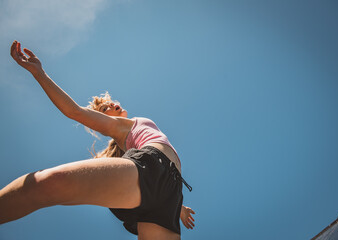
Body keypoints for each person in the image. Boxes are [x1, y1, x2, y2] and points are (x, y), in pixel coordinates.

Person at [0, 40, 195, 240]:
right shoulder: (121, 128)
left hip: (170, 192)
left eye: (111, 102)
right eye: (104, 109)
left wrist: (179, 207)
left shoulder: (123, 147)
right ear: (103, 120)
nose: (111, 104)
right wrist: (39, 73)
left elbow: (157, 180)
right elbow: (73, 111)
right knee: (50, 183)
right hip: (151, 165)